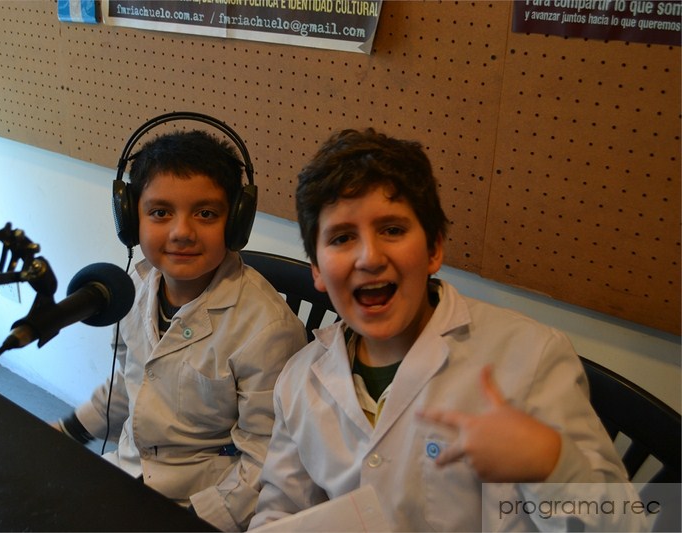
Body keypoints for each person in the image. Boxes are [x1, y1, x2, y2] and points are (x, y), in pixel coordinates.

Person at [249, 129, 646, 531]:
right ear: (317, 270)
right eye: (342, 237)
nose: (369, 257)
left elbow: (629, 525)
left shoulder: (530, 356)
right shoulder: (299, 380)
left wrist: (553, 466)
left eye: (392, 230)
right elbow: (279, 510)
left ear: (434, 249)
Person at [54, 129, 307, 531]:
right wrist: (68, 430)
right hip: (128, 471)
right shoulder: (133, 289)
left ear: (236, 222)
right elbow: (129, 385)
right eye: (160, 212)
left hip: (201, 501)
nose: (181, 232)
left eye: (205, 214)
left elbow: (267, 457)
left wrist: (196, 519)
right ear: (131, 219)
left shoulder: (267, 328)